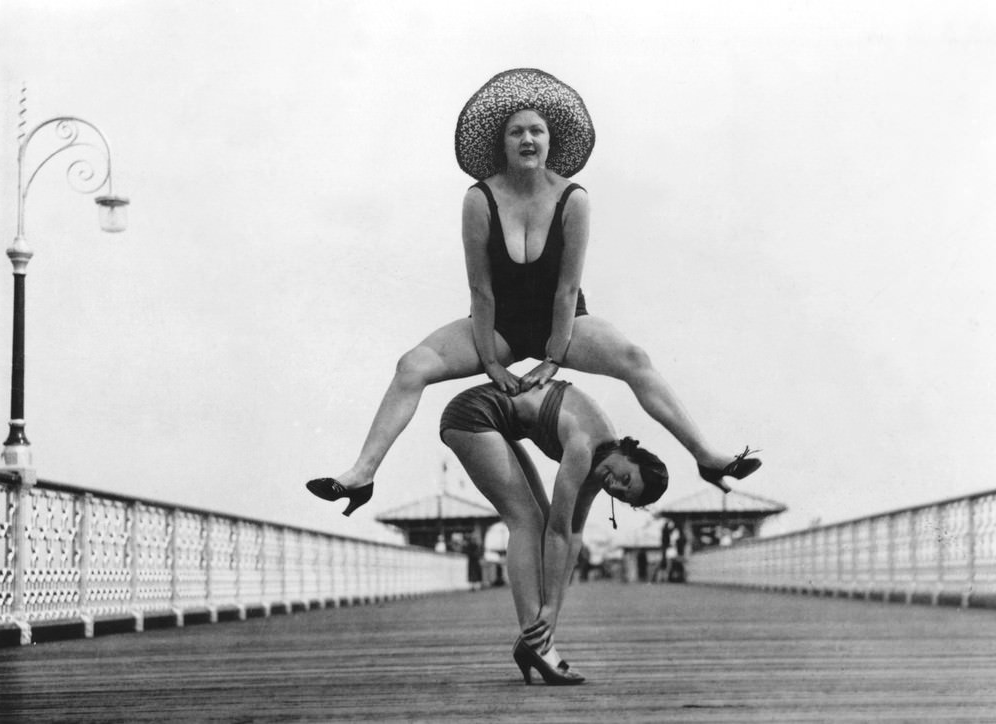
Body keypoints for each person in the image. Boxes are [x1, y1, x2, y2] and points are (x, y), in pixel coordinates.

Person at [306, 68, 760, 516]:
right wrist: (489, 362)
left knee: (634, 360)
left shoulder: (574, 199)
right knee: (412, 366)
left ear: (550, 141)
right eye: (516, 131)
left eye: (537, 131)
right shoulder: (479, 198)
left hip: (561, 323)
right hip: (497, 324)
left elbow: (567, 290)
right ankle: (362, 475)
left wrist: (553, 358)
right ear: (501, 144)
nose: (527, 139)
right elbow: (480, 290)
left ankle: (706, 455)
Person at [438, 376, 668, 685]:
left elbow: (572, 536)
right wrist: (548, 608)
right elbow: (558, 534)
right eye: (625, 478)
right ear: (630, 453)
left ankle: (536, 639)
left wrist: (554, 609)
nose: (613, 485)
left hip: (498, 423)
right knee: (527, 521)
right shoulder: (586, 446)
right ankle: (537, 643)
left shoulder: (602, 467)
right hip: (473, 415)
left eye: (621, 494)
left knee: (541, 518)